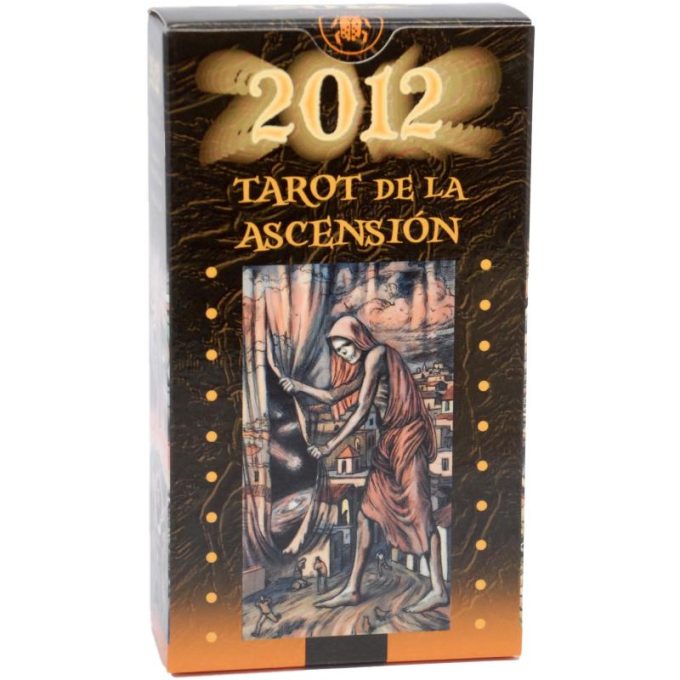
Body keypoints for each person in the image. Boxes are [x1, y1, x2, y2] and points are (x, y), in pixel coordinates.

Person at [279, 315, 448, 613]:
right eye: (339, 351)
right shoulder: (367, 364)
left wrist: (330, 446)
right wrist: (299, 387)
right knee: (365, 514)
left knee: (422, 516)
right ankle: (353, 589)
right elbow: (333, 396)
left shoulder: (377, 354)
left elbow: (360, 411)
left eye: (346, 347)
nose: (344, 354)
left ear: (358, 338)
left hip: (407, 440)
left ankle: (438, 590)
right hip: (388, 441)